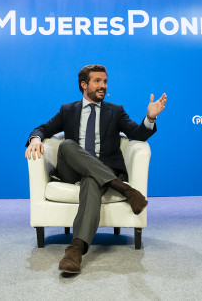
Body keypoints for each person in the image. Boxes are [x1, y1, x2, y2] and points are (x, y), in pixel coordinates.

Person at [25, 64, 166, 273]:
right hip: (72, 171)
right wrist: (36, 138)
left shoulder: (115, 111)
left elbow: (137, 135)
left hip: (101, 172)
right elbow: (43, 128)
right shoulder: (68, 110)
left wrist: (150, 118)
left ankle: (75, 250)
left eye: (105, 81)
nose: (103, 86)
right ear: (84, 84)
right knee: (66, 145)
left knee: (92, 180)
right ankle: (125, 189)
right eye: (97, 81)